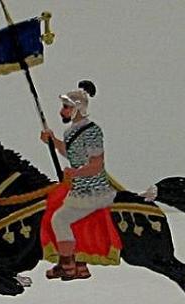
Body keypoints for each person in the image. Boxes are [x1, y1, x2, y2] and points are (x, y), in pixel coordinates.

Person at [40, 81, 116, 280]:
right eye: (63, 107)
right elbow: (72, 154)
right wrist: (53, 141)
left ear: (78, 108)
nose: (62, 111)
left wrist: (75, 173)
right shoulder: (72, 131)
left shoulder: (92, 131)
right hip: (79, 188)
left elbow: (96, 165)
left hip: (93, 190)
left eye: (66, 107)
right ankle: (77, 262)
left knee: (59, 219)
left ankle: (67, 266)